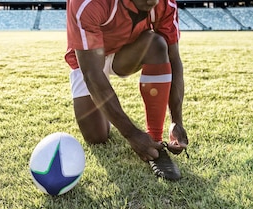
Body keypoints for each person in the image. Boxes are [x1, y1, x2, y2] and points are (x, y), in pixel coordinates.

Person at [65, 0, 188, 180]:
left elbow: (173, 58)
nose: (150, 1)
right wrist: (131, 133)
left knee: (157, 44)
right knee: (97, 137)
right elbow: (92, 75)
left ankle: (155, 138)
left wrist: (176, 120)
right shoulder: (87, 3)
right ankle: (109, 115)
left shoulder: (164, 3)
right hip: (89, 59)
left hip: (125, 53)